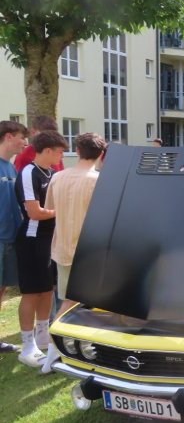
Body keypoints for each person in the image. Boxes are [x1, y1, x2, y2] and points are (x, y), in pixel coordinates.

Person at [40, 133, 106, 373]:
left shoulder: (57, 177)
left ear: (77, 151)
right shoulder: (99, 181)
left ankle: (57, 352)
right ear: (101, 154)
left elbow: (49, 207)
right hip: (90, 251)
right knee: (82, 304)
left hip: (64, 248)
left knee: (69, 302)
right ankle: (57, 352)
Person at [14, 130, 68, 366]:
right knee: (31, 292)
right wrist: (62, 210)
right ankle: (27, 346)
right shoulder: (29, 172)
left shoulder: (53, 173)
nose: (61, 156)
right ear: (47, 150)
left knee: (47, 290)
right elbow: (34, 212)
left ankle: (43, 337)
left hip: (51, 239)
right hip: (32, 239)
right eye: (59, 152)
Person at [0, 121, 27, 354]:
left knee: (2, 290)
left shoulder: (10, 168)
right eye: (21, 137)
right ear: (8, 136)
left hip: (10, 239)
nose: (25, 143)